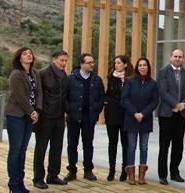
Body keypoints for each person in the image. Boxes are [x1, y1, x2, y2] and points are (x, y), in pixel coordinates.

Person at [6, 47, 42, 193]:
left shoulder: (34, 73)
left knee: (22, 150)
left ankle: (20, 184)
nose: (28, 55)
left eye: (30, 53)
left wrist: (37, 111)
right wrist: (31, 112)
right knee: (15, 150)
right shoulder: (16, 74)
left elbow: (39, 93)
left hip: (29, 117)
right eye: (25, 54)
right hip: (16, 116)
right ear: (19, 58)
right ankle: (14, 186)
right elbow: (20, 96)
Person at [65, 53, 105, 182]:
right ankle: (72, 170)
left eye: (93, 62)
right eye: (89, 62)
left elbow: (101, 98)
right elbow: (65, 97)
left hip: (89, 118)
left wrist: (96, 112)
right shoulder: (71, 79)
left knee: (88, 145)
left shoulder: (97, 80)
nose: (92, 64)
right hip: (73, 118)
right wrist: (69, 111)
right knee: (72, 145)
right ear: (82, 64)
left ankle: (88, 170)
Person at [32, 50, 68, 189]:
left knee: (57, 148)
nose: (64, 63)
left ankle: (53, 176)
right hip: (45, 117)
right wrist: (38, 113)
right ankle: (38, 178)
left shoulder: (64, 75)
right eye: (61, 60)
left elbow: (64, 96)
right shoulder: (42, 73)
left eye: (65, 60)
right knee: (41, 148)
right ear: (54, 60)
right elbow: (36, 94)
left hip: (59, 117)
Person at [157, 49, 185, 184]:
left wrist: (183, 104)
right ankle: (162, 175)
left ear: (183, 58)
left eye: (180, 57)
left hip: (181, 114)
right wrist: (175, 104)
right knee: (164, 145)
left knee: (178, 145)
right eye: (175, 56)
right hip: (167, 114)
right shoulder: (163, 72)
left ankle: (174, 173)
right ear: (171, 57)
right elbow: (162, 91)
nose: (178, 58)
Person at [122, 57, 159, 185]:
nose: (142, 67)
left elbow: (154, 102)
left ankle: (142, 175)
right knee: (131, 147)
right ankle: (131, 175)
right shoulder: (130, 81)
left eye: (145, 65)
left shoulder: (153, 84)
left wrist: (143, 113)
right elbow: (125, 99)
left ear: (148, 67)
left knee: (144, 147)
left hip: (145, 119)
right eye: (140, 65)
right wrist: (135, 113)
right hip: (131, 119)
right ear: (137, 68)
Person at [104, 54, 133, 181]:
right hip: (112, 115)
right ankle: (111, 170)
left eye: (119, 63)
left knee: (125, 144)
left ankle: (124, 170)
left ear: (125, 64)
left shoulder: (130, 79)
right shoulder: (111, 77)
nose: (116, 65)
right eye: (115, 63)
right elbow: (108, 94)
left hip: (125, 115)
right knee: (112, 144)